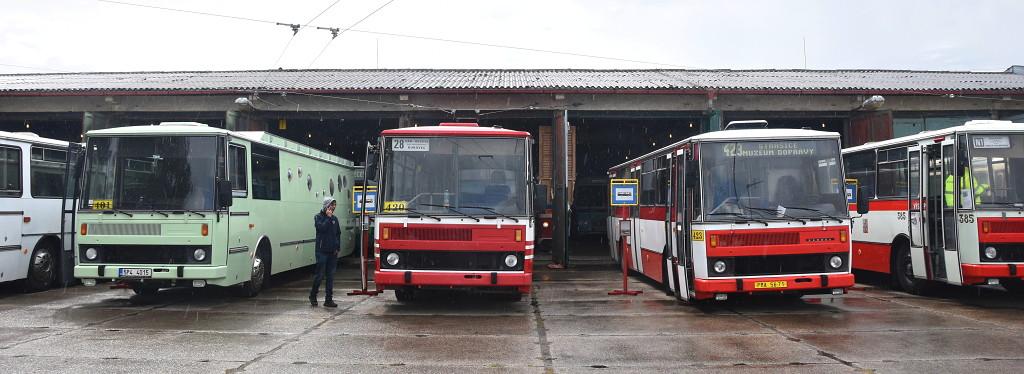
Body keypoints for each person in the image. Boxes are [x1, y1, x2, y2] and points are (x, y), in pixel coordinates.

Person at [310, 197, 341, 307]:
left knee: (330, 276)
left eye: (334, 205)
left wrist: (337, 247)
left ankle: (328, 299)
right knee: (319, 275)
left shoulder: (335, 219)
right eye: (331, 205)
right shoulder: (318, 217)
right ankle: (313, 295)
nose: (333, 207)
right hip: (321, 251)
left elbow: (338, 234)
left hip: (332, 252)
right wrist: (328, 218)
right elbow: (321, 228)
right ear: (326, 206)